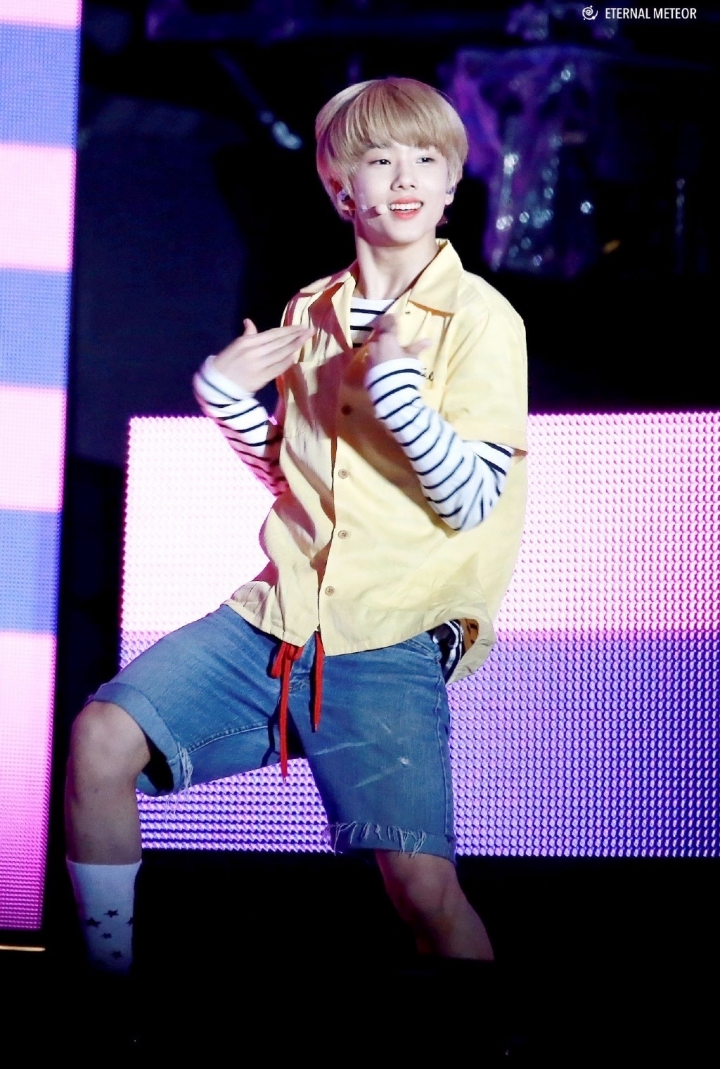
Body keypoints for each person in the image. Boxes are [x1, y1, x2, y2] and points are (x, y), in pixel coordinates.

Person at [65, 76, 527, 980]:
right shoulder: (310, 311)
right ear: (341, 188)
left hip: (390, 632)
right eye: (379, 159)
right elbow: (302, 478)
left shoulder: (480, 319)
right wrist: (225, 398)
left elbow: (472, 497)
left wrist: (398, 392)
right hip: (278, 619)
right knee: (101, 739)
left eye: (425, 158)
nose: (404, 177)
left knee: (423, 891)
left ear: (451, 184)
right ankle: (108, 997)